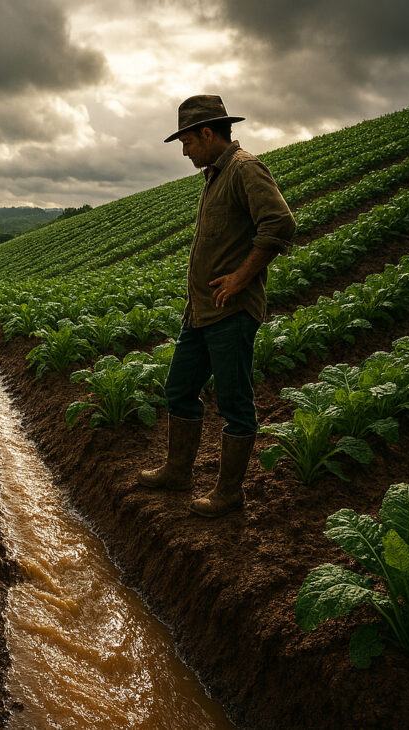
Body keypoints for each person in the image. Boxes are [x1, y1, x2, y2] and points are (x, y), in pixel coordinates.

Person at [137, 95, 295, 517]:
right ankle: (178, 471)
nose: (185, 151)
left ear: (207, 133)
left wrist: (242, 277)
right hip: (201, 312)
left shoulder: (244, 168)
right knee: (180, 390)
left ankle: (229, 494)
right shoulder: (214, 174)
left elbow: (280, 223)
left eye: (187, 141)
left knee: (234, 403)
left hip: (231, 312)